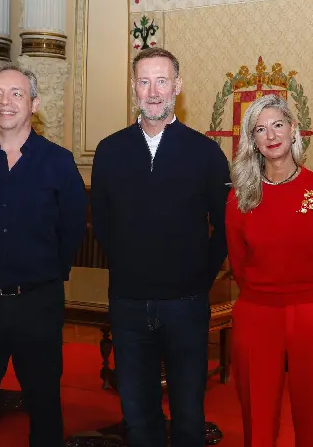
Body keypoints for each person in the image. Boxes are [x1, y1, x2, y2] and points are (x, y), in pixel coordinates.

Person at [91, 47, 230, 446]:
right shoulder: (110, 150)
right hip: (129, 303)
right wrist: (127, 267)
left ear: (178, 87)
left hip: (186, 304)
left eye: (162, 80)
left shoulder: (205, 152)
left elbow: (223, 226)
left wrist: (199, 278)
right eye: (144, 81)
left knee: (188, 415)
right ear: (134, 88)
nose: (153, 91)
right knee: (137, 414)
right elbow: (101, 222)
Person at [0, 64, 88, 446]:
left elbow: (72, 227)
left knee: (44, 406)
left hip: (37, 304)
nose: (5, 102)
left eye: (16, 94)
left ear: (34, 103)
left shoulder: (58, 162)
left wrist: (44, 271)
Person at [225, 94, 313, 447]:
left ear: (293, 130)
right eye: (260, 129)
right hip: (257, 315)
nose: (271, 135)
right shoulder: (240, 197)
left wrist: (308, 297)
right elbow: (238, 264)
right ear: (252, 140)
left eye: (278, 124)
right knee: (258, 422)